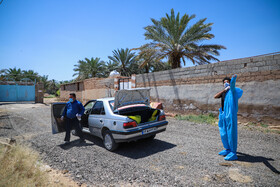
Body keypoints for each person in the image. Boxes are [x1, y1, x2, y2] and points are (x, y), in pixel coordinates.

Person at [214, 75, 243, 161]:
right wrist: (224, 90)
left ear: (230, 83)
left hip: (230, 115)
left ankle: (233, 152)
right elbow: (215, 96)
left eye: (227, 82)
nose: (225, 83)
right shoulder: (224, 92)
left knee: (231, 133)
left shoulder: (233, 91)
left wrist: (233, 79)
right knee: (223, 132)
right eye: (224, 82)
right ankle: (227, 149)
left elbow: (233, 86)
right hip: (223, 114)